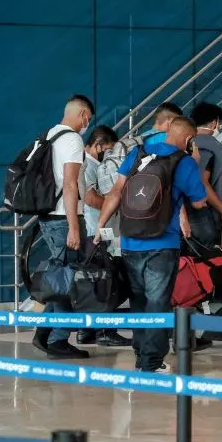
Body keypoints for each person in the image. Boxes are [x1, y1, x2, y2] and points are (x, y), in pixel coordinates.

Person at [97, 117, 208, 373]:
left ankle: (141, 354)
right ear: (189, 139)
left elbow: (116, 191)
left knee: (138, 299)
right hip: (162, 243)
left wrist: (100, 226)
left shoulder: (139, 152)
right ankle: (151, 362)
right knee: (157, 302)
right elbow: (199, 201)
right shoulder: (185, 162)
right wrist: (196, 163)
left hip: (129, 240)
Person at [32, 94, 94, 359]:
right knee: (70, 281)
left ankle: (44, 333)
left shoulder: (46, 136)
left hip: (48, 216)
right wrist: (74, 227)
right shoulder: (72, 139)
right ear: (82, 115)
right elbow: (70, 185)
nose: (87, 124)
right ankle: (58, 340)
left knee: (60, 279)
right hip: (62, 219)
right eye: (88, 119)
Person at [77, 125, 130, 348]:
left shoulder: (93, 164)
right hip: (96, 232)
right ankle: (105, 331)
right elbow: (89, 198)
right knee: (107, 282)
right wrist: (114, 205)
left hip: (100, 230)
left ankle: (86, 330)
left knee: (96, 281)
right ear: (98, 145)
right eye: (107, 149)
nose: (109, 154)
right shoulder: (87, 165)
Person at [188, 102, 222, 246]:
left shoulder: (186, 142)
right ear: (214, 122)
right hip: (202, 214)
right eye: (220, 123)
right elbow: (202, 182)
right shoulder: (207, 148)